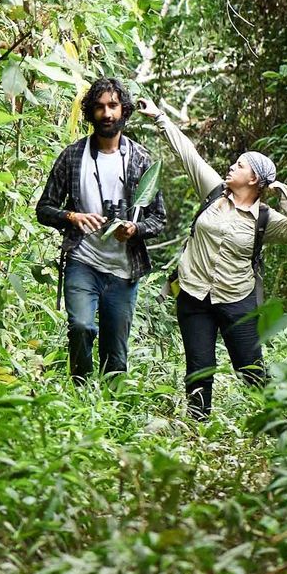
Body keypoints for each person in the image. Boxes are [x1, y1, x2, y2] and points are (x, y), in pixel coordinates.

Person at [134, 97, 287, 420]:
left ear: (255, 180)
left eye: (241, 165)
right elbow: (187, 152)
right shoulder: (214, 191)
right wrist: (159, 117)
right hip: (193, 295)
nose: (233, 166)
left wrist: (282, 191)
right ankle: (198, 432)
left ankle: (279, 428)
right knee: (198, 372)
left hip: (236, 300)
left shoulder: (265, 220)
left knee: (251, 372)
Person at [35, 77, 167, 382]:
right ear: (91, 112)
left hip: (123, 271)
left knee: (116, 357)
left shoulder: (141, 160)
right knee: (81, 327)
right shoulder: (73, 156)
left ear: (124, 110)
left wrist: (134, 229)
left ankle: (111, 413)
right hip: (83, 261)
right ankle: (79, 391)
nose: (107, 114)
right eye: (99, 107)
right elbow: (44, 209)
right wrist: (71, 217)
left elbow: (158, 219)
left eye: (113, 106)